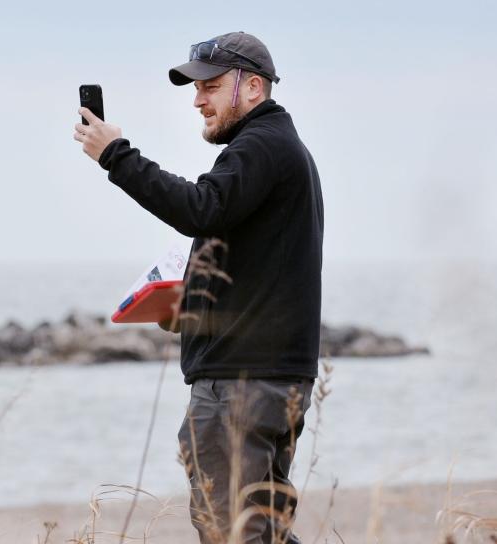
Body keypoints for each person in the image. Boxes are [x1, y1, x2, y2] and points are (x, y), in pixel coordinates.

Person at [73, 31, 324, 544]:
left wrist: (116, 156)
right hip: (269, 378)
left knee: (230, 531)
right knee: (262, 531)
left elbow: (198, 209)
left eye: (209, 86)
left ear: (253, 87)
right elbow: (261, 271)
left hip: (243, 383)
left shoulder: (262, 146)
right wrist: (189, 309)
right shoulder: (275, 150)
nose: (197, 100)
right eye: (195, 87)